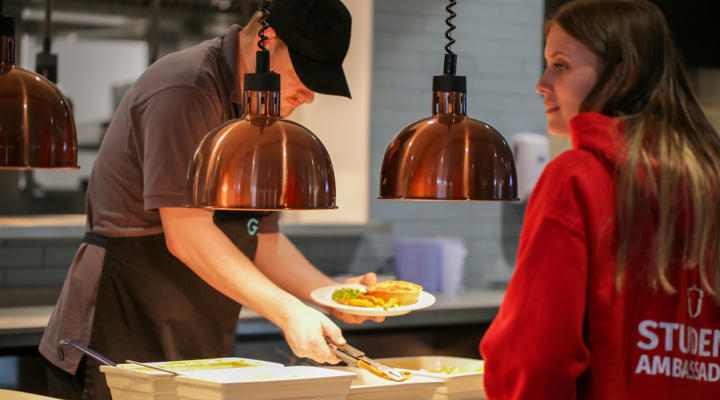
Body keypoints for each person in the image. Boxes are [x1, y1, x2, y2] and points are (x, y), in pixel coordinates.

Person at [39, 1, 382, 399]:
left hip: (198, 323)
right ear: (265, 40)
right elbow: (186, 234)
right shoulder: (187, 89)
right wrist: (288, 312)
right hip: (126, 311)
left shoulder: (259, 117)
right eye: (304, 74)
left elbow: (260, 237)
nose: (308, 95)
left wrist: (329, 295)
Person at [480, 0, 720, 399]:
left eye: (561, 64)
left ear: (621, 75)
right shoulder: (707, 180)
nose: (542, 82)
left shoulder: (577, 176)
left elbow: (537, 354)